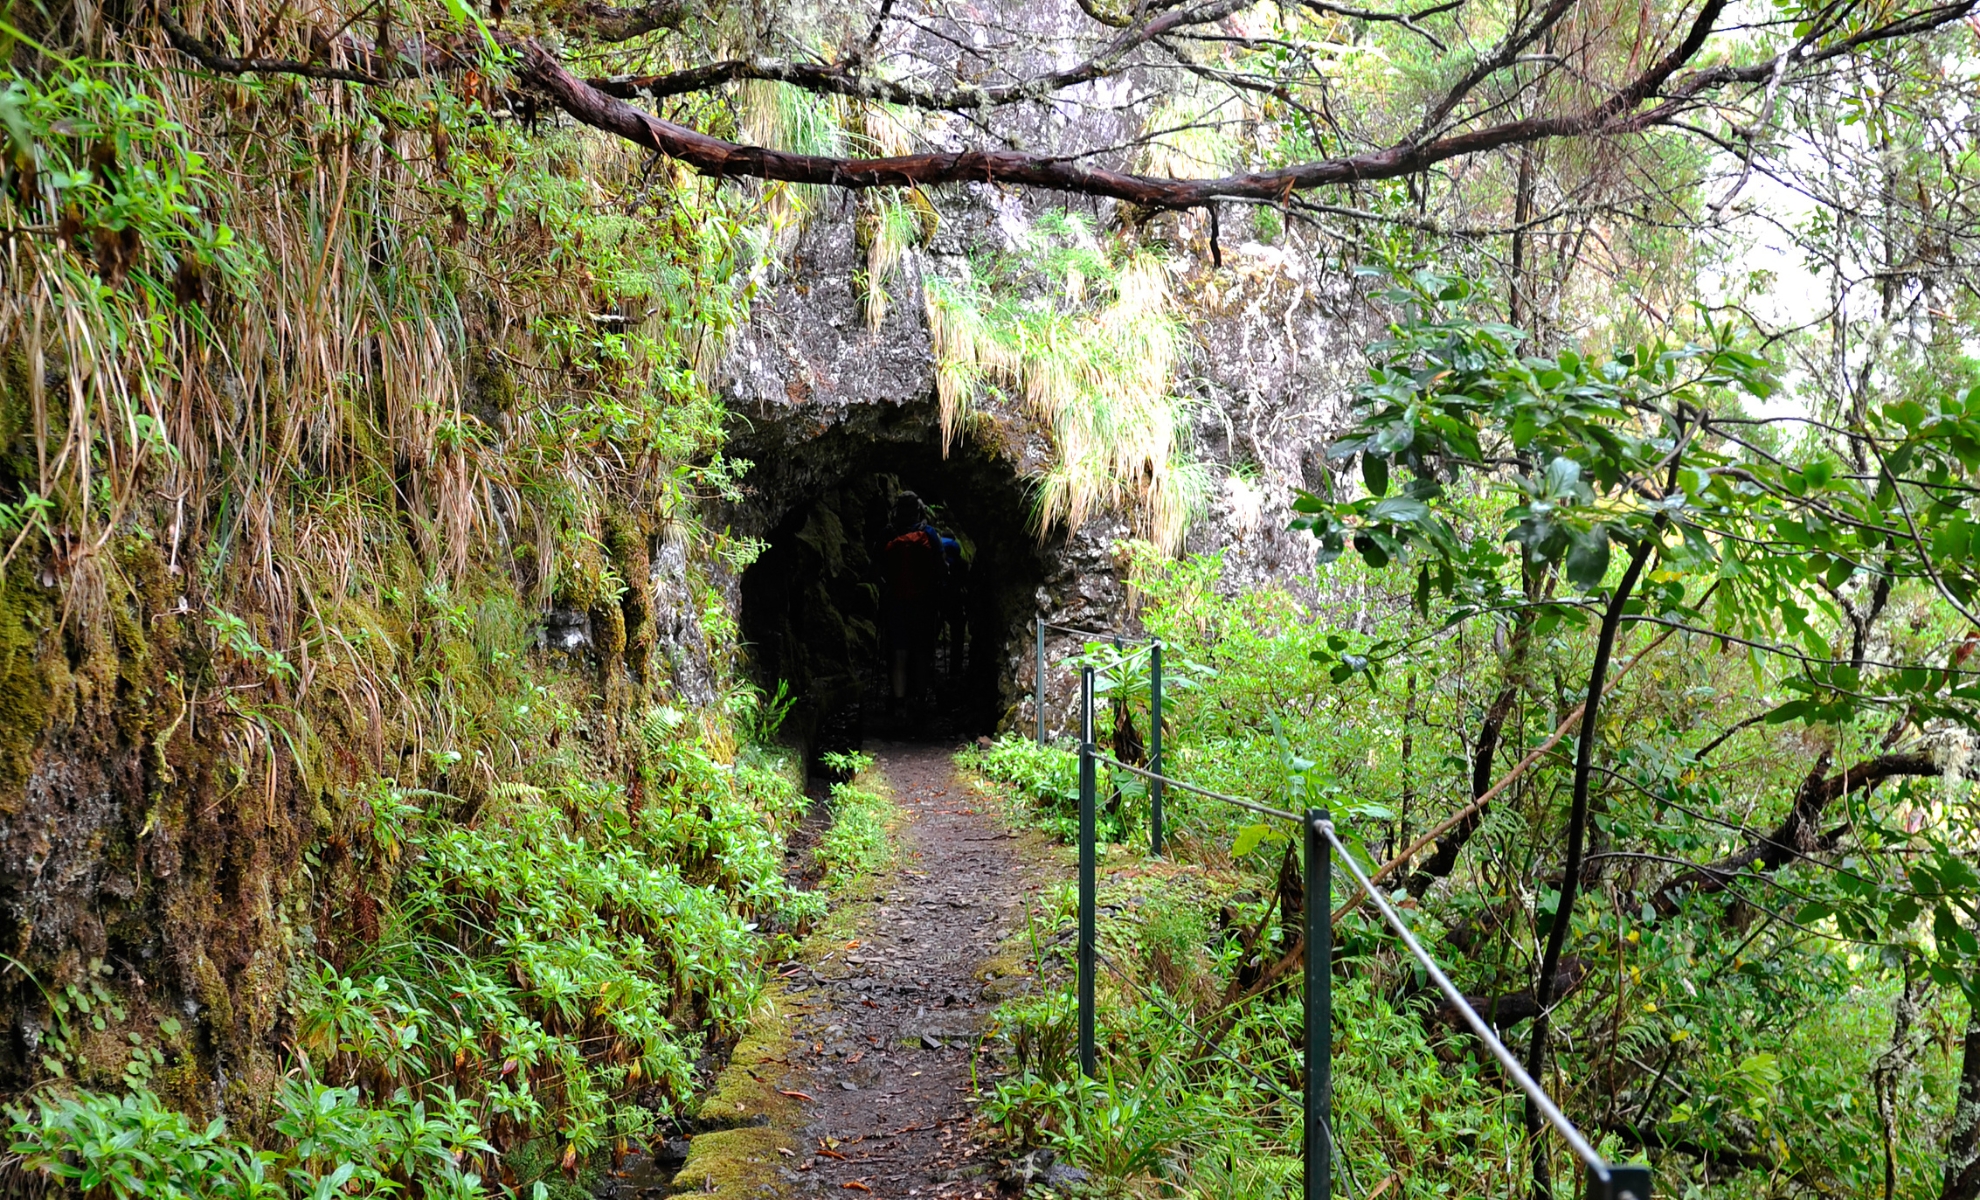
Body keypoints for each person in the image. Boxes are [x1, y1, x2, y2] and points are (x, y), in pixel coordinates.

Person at [880, 494, 949, 704]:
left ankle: (900, 704)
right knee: (921, 651)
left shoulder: (889, 533)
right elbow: (942, 569)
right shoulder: (928, 533)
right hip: (923, 603)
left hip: (896, 603)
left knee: (898, 653)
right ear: (919, 510)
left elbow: (876, 568)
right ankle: (921, 699)